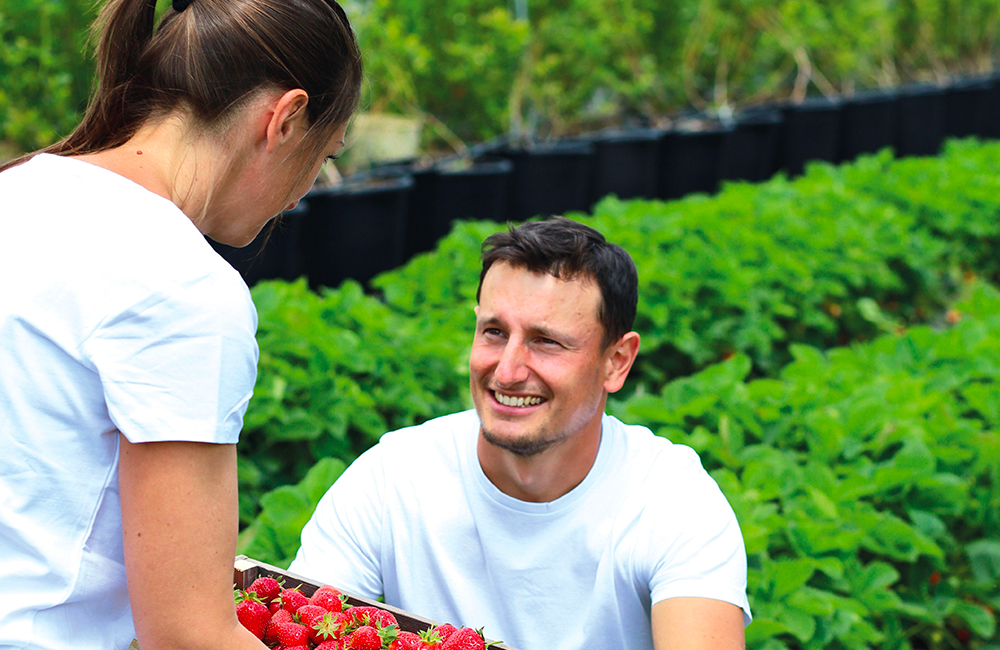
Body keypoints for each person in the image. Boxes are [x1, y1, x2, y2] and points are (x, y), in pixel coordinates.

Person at [0, 0, 362, 648]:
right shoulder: (182, 289)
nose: (304, 190)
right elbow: (187, 634)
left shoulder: (18, 193)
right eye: (322, 155)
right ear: (285, 118)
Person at [289, 217, 752, 650]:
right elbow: (306, 630)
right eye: (493, 332)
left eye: (546, 341)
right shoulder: (390, 481)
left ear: (617, 362)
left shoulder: (671, 501)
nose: (507, 371)